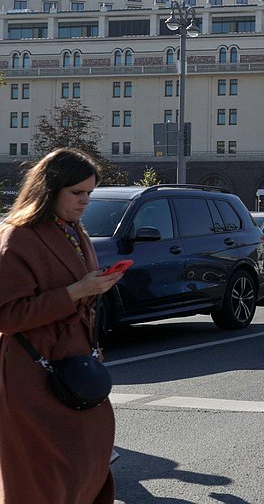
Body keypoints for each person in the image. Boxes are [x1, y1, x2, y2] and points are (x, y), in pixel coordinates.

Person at [0, 148, 122, 504]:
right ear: (50, 189)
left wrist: (96, 286)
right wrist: (76, 291)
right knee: (43, 476)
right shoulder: (17, 238)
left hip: (75, 364)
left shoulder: (73, 230)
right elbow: (7, 315)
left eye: (89, 193)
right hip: (32, 373)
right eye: (77, 193)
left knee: (90, 457)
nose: (85, 201)